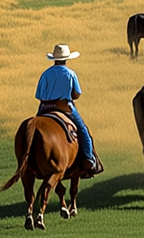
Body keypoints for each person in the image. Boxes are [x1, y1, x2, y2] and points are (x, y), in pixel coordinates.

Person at [36, 43, 102, 177]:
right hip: (65, 108)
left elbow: (39, 95)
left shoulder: (45, 74)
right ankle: (89, 160)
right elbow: (77, 94)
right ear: (67, 59)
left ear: (54, 59)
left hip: (44, 108)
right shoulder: (70, 74)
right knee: (84, 131)